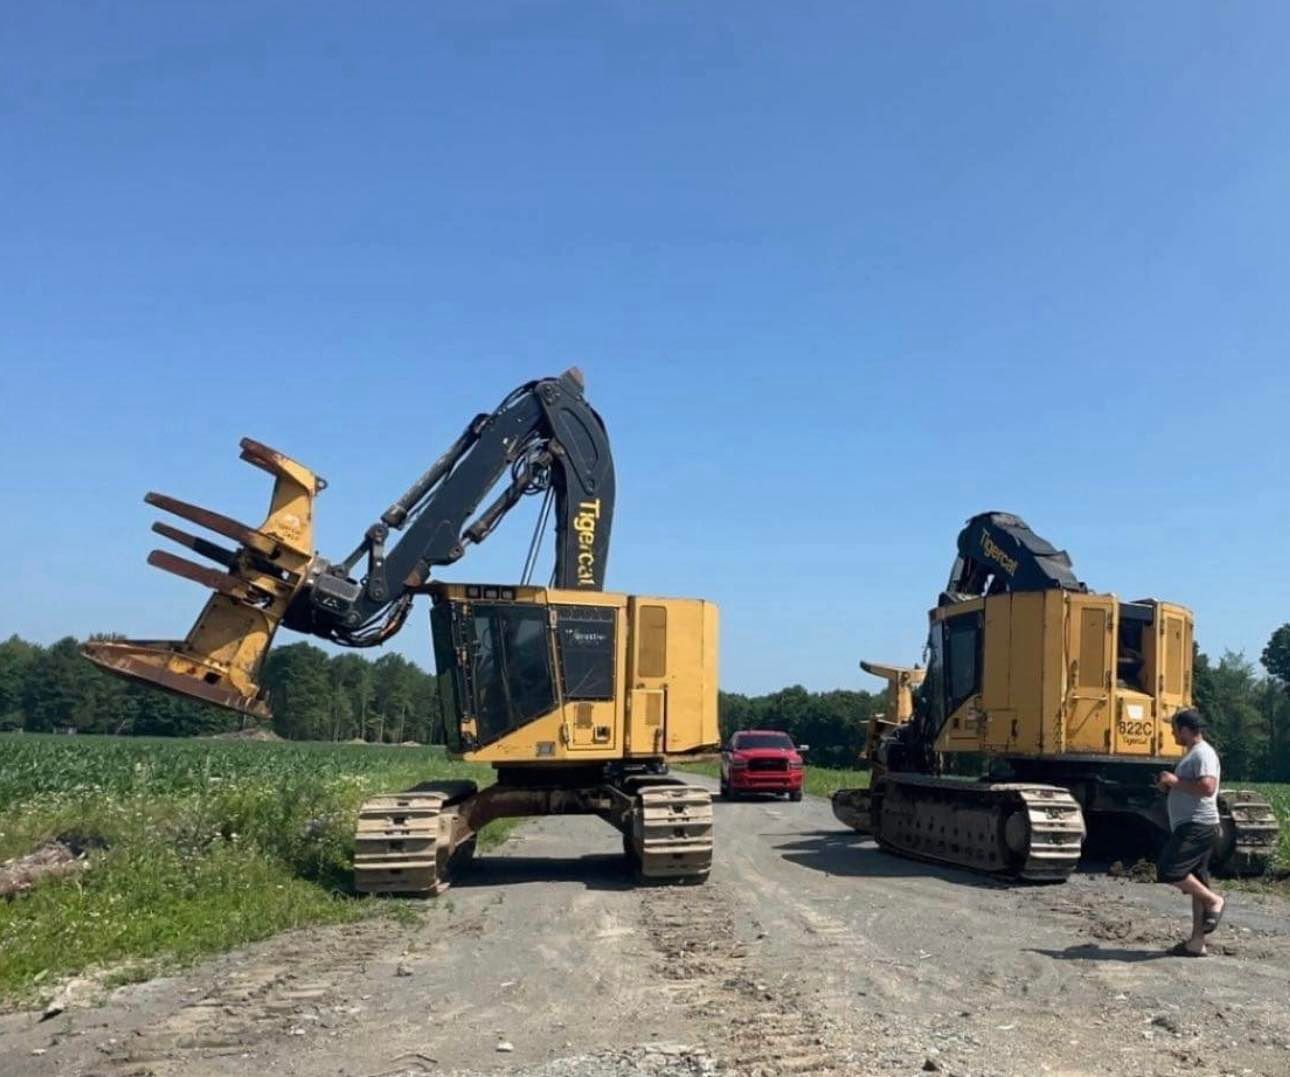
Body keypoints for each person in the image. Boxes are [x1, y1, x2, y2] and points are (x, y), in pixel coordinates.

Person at [1156, 708, 1225, 957]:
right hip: (1196, 825)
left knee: (1169, 869)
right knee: (1196, 879)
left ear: (1185, 730)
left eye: (1175, 729)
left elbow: (1207, 787)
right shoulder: (1193, 755)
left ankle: (1213, 901)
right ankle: (1197, 942)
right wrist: (1170, 787)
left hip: (1198, 825)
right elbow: (1192, 787)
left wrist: (1175, 782)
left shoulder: (1203, 753)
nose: (1173, 733)